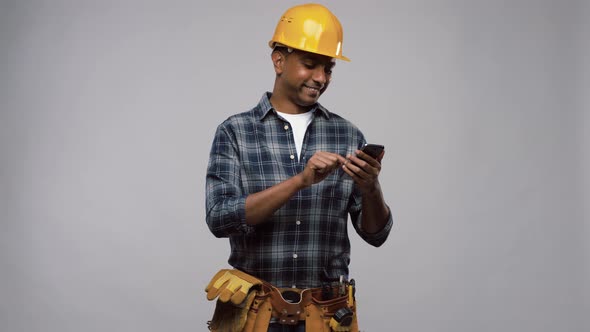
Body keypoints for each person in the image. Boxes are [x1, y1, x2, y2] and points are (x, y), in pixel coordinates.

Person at [204, 3, 393, 331]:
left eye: (329, 69)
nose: (321, 78)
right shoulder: (235, 131)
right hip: (254, 316)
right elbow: (220, 218)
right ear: (279, 60)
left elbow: (376, 235)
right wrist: (300, 181)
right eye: (310, 64)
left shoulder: (347, 135)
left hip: (326, 317)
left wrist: (370, 186)